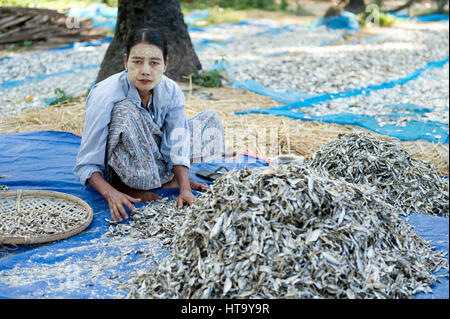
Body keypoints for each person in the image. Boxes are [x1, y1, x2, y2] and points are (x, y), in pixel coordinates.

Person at [74, 28, 225, 222]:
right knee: (126, 111)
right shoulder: (105, 95)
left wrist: (184, 188)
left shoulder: (171, 90)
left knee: (208, 121)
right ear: (125, 62)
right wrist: (112, 194)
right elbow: (86, 163)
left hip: (153, 157)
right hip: (121, 167)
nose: (145, 70)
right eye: (137, 62)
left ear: (166, 64)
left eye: (154, 63)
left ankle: (169, 181)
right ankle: (130, 187)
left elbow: (176, 143)